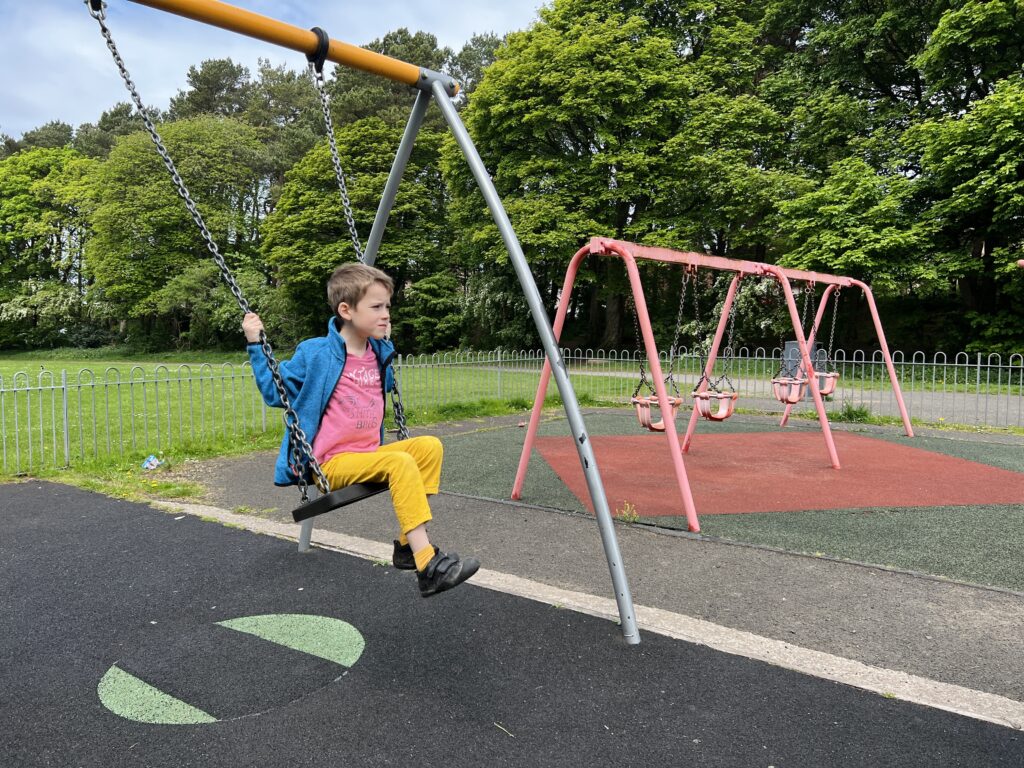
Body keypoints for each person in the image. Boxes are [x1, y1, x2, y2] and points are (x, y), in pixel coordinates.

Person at [242, 262, 479, 597]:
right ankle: (429, 564)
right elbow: (273, 390)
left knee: (428, 447)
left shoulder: (378, 350)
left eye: (387, 307)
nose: (386, 315)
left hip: (367, 454)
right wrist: (255, 342)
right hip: (332, 463)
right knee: (400, 464)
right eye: (376, 307)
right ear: (346, 310)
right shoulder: (316, 353)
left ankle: (405, 547)